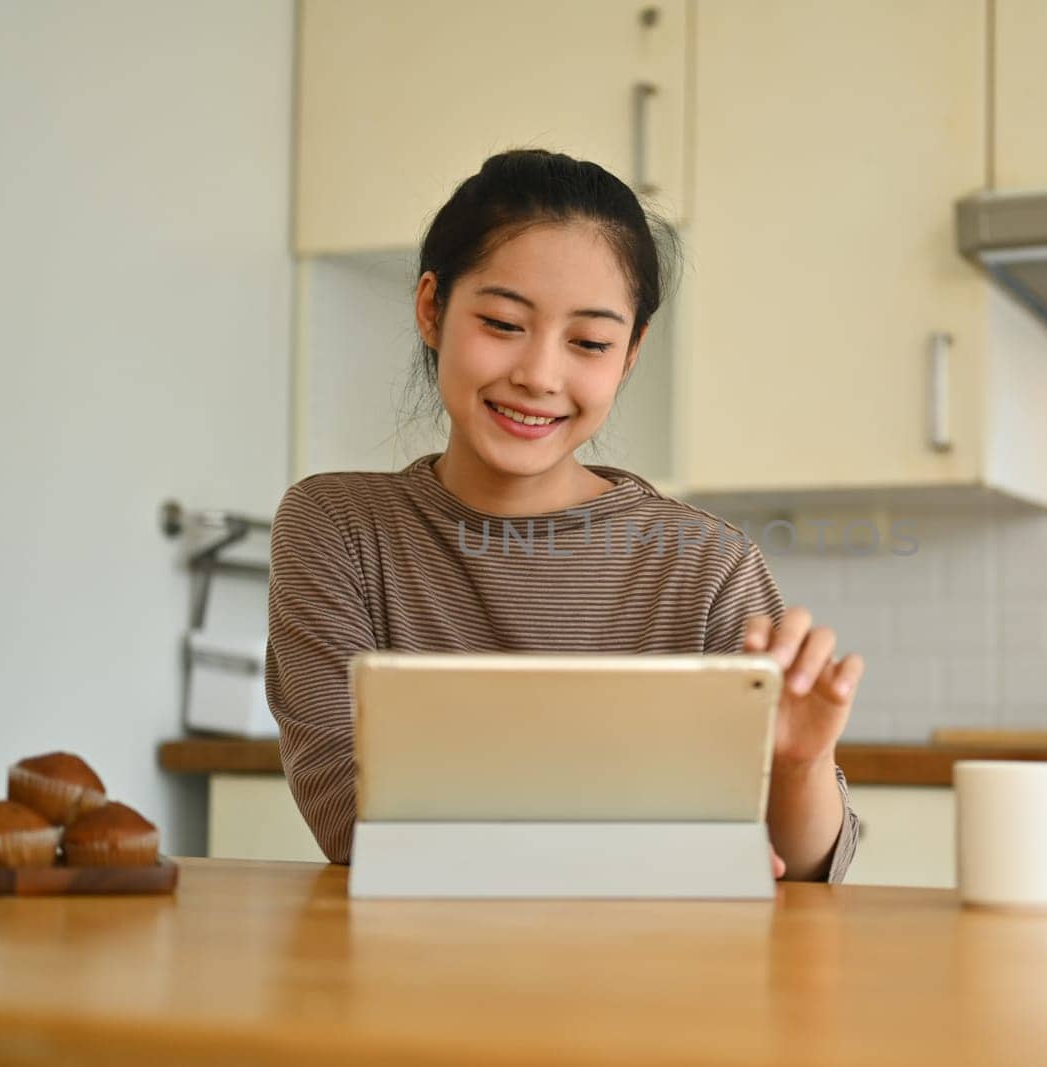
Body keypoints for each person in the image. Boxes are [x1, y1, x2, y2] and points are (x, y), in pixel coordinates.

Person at [264, 148, 864, 882]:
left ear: (631, 354)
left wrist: (801, 765)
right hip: (419, 978)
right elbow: (350, 818)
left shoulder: (707, 565)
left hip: (659, 981)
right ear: (432, 308)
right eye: (503, 322)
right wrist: (658, 840)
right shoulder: (339, 527)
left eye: (589, 342)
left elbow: (805, 873)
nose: (540, 375)